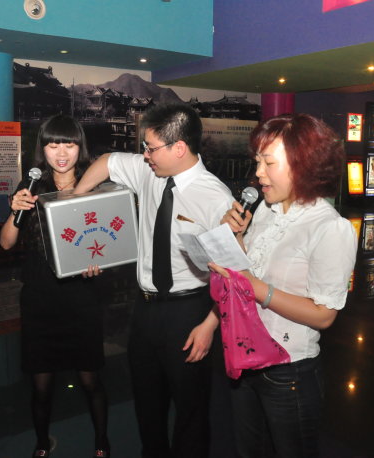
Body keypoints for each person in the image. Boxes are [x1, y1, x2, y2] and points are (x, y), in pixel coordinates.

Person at [74, 103, 234, 458]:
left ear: (179, 147)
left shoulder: (216, 197)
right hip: (144, 310)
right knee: (147, 403)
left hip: (190, 312)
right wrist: (75, 199)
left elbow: (232, 277)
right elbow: (107, 162)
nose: (145, 155)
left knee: (191, 409)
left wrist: (210, 325)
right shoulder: (149, 171)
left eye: (150, 148)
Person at [209, 113, 357, 457]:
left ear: (303, 166)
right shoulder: (265, 210)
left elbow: (324, 315)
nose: (258, 173)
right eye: (257, 161)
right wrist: (236, 238)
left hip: (289, 372)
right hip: (246, 355)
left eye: (269, 163)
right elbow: (248, 270)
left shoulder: (329, 228)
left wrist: (255, 287)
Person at [0, 115, 109, 458]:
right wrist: (14, 210)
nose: (61, 153)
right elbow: (6, 243)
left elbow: (108, 239)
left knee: (90, 379)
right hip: (39, 297)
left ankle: (102, 441)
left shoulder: (95, 185)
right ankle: (41, 443)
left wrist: (100, 262)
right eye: (53, 144)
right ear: (42, 148)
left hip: (82, 296)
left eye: (69, 144)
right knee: (41, 384)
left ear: (80, 147)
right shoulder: (31, 185)